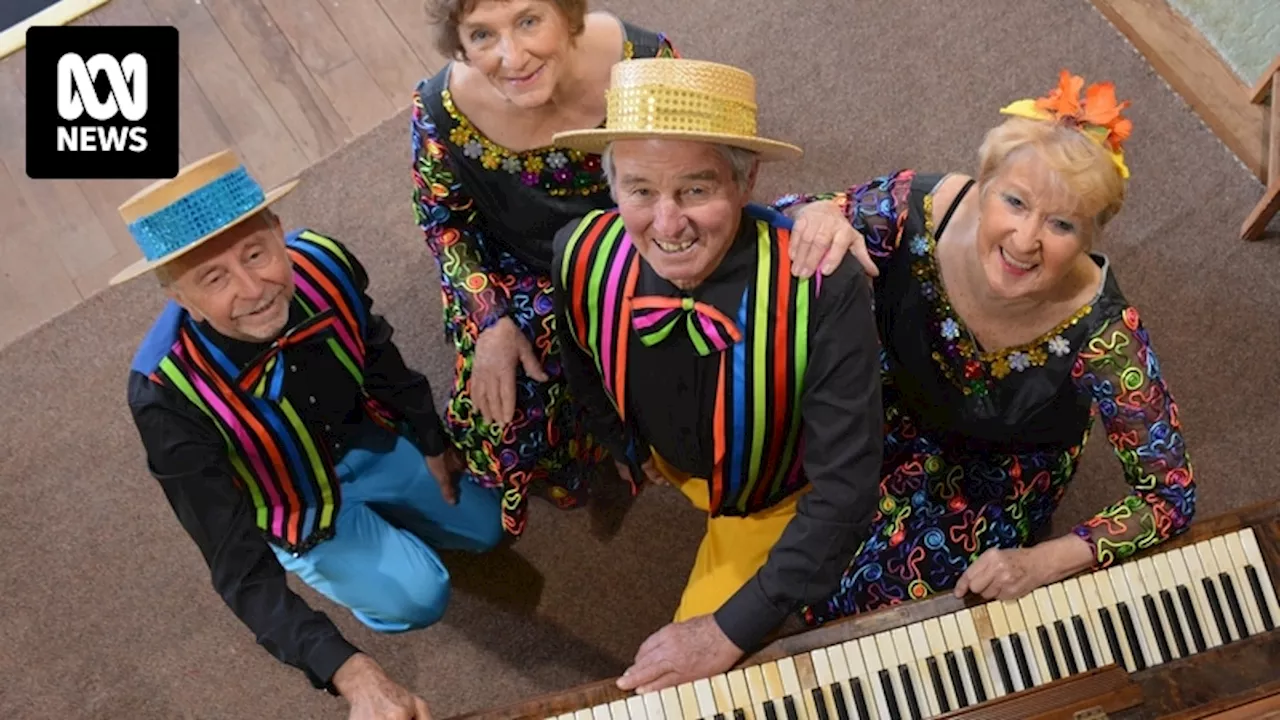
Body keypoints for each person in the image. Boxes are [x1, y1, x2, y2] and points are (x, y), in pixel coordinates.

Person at [774, 70, 1196, 623]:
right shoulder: (917, 209)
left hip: (989, 478)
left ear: (1090, 237)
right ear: (983, 185)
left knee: (880, 618)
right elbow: (784, 217)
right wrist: (815, 220)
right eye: (1015, 202)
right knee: (755, 484)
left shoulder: (1106, 335)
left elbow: (1169, 497)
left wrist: (1043, 562)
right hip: (876, 404)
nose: (1025, 241)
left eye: (1062, 224)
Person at [119, 150, 503, 719]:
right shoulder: (165, 395)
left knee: (491, 525)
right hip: (298, 507)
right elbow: (236, 566)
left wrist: (428, 435)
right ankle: (336, 561)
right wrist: (349, 669)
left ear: (279, 233)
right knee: (419, 599)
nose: (253, 289)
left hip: (369, 443)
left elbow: (375, 351)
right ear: (178, 296)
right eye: (214, 278)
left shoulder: (323, 260)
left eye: (256, 254)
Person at [548, 58, 886, 693]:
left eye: (696, 190)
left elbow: (845, 491)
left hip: (771, 498)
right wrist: (627, 448)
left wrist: (726, 631)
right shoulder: (579, 250)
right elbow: (580, 361)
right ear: (612, 181)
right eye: (640, 190)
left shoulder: (821, 286)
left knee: (697, 694)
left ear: (746, 178)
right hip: (670, 463)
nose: (667, 224)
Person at [410, 0, 680, 537]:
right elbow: (444, 224)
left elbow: (690, 171)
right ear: (460, 43)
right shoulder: (439, 108)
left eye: (529, 21)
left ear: (568, 14)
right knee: (510, 407)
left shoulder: (645, 62)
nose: (513, 56)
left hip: (645, 242)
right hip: (521, 270)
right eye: (483, 35)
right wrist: (491, 319)